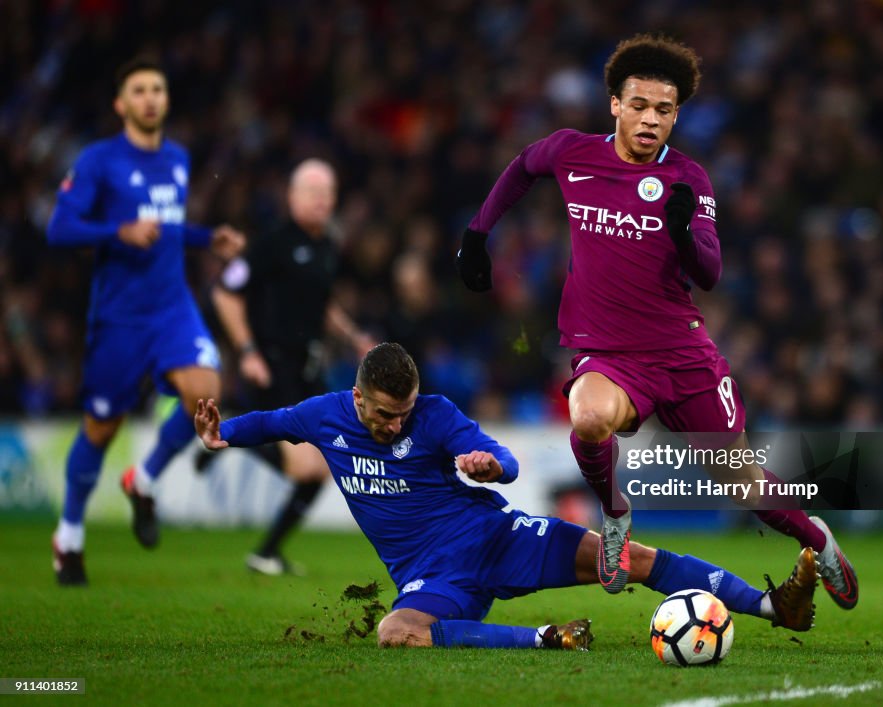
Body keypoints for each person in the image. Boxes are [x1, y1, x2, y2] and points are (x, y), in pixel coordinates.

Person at [456, 33, 858, 608]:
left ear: (676, 116)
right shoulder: (573, 152)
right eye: (639, 106)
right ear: (615, 104)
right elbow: (523, 166)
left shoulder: (688, 179)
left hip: (682, 354)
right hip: (610, 354)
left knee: (744, 489)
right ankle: (616, 514)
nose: (650, 120)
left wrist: (680, 230)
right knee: (588, 416)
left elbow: (711, 271)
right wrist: (477, 233)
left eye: (664, 111)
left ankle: (818, 538)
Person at [194, 342, 818, 650]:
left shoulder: (433, 416)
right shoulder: (323, 416)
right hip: (430, 575)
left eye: (403, 412)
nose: (395, 424)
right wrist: (224, 434)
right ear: (357, 399)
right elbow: (271, 421)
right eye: (385, 415)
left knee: (629, 559)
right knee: (396, 631)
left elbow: (511, 463)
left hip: (496, 537)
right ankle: (546, 639)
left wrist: (491, 468)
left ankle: (772, 607)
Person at [47, 57, 245, 586]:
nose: (151, 98)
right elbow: (59, 228)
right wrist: (119, 231)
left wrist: (209, 239)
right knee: (101, 428)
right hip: (119, 319)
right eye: (139, 90)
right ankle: (69, 534)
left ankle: (145, 478)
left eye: (158, 88)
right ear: (121, 104)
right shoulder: (98, 161)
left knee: (205, 392)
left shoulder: (178, 159)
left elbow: (170, 228)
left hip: (172, 307)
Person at [198, 157, 374, 575]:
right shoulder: (272, 244)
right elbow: (225, 294)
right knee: (307, 464)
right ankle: (233, 433)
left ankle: (267, 553)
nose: (320, 200)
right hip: (273, 365)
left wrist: (353, 338)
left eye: (327, 192)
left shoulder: (326, 246)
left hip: (309, 367)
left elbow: (323, 303)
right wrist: (247, 351)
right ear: (292, 197)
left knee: (323, 465)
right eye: (311, 192)